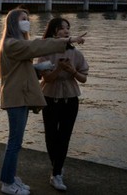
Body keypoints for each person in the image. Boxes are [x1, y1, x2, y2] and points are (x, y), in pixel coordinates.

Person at [0, 8, 86, 195]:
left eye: (28, 18)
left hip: (20, 96)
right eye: (23, 19)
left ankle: (11, 177)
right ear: (13, 23)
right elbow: (36, 46)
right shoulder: (12, 43)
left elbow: (21, 68)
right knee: (14, 143)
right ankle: (7, 182)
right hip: (16, 98)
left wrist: (37, 67)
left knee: (16, 142)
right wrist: (68, 40)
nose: (27, 21)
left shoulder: (16, 44)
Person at [37, 17, 89, 191]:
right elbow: (46, 78)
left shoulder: (76, 54)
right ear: (53, 32)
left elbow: (83, 78)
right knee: (51, 136)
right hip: (50, 98)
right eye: (61, 29)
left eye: (68, 28)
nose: (66, 31)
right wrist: (59, 68)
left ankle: (56, 173)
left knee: (65, 136)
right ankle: (56, 167)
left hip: (71, 99)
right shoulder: (45, 53)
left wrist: (72, 70)